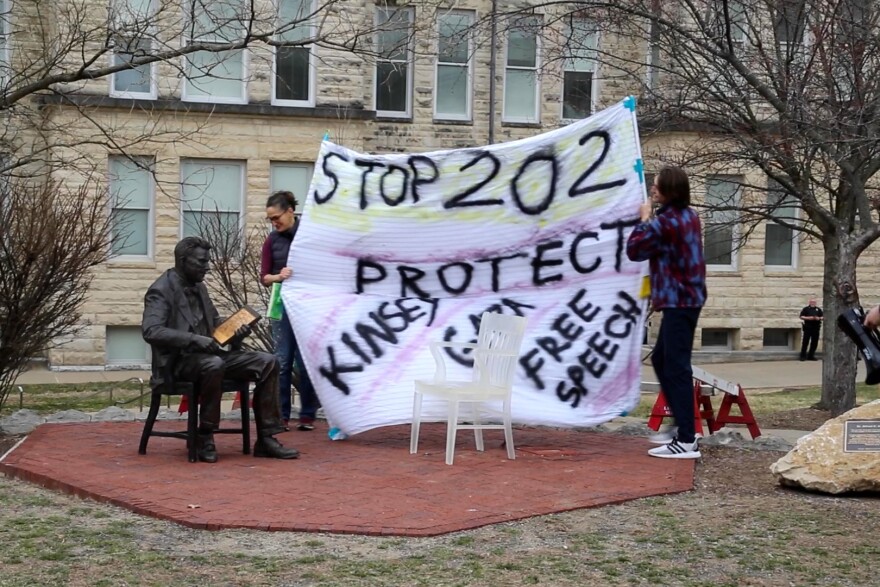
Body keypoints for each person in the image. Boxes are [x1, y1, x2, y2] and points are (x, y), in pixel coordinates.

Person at [142, 236, 300, 463]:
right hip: (178, 363)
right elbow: (151, 331)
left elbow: (213, 322)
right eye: (201, 262)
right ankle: (204, 435)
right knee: (213, 364)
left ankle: (267, 437)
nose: (207, 267)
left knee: (268, 361)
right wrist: (194, 340)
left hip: (210, 355)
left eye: (207, 262)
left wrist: (235, 330)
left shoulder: (199, 286)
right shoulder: (160, 290)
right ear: (183, 260)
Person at [626, 166, 707, 459]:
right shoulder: (690, 216)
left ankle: (687, 439)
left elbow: (634, 250)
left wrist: (644, 219)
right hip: (687, 299)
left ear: (670, 192)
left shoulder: (666, 223)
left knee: (676, 367)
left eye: (657, 187)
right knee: (662, 360)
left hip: (679, 301)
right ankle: (682, 430)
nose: (652, 190)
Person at [261, 190, 321, 431]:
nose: (274, 222)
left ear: (290, 211)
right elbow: (264, 277)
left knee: (307, 362)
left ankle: (308, 415)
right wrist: (279, 276)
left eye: (277, 217)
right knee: (282, 362)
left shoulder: (309, 235)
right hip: (282, 305)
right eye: (270, 219)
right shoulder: (271, 241)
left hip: (308, 305)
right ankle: (281, 416)